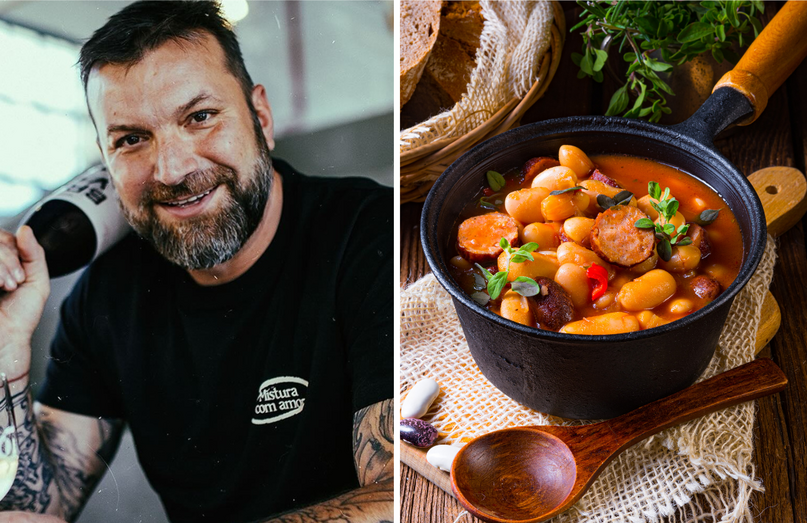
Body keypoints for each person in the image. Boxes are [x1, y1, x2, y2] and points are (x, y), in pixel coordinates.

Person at [0, 2, 393, 522]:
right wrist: (5, 353)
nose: (172, 170)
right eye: (131, 139)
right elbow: (33, 509)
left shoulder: (370, 235)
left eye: (200, 117)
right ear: (105, 157)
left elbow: (402, 494)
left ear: (261, 117)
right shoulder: (106, 295)